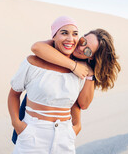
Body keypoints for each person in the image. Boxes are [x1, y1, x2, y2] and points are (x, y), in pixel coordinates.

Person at [11, 27, 121, 144]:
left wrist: (90, 75)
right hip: (33, 117)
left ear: (92, 57)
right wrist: (73, 66)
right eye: (83, 41)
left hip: (61, 128)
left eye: (88, 51)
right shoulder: (62, 46)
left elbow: (82, 104)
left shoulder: (85, 70)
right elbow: (36, 47)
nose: (81, 47)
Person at [8, 16, 93, 153]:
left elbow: (77, 104)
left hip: (65, 137)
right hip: (32, 135)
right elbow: (14, 94)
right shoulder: (32, 62)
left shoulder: (80, 70)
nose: (70, 38)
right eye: (64, 33)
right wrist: (17, 124)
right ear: (54, 35)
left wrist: (76, 127)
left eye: (75, 34)